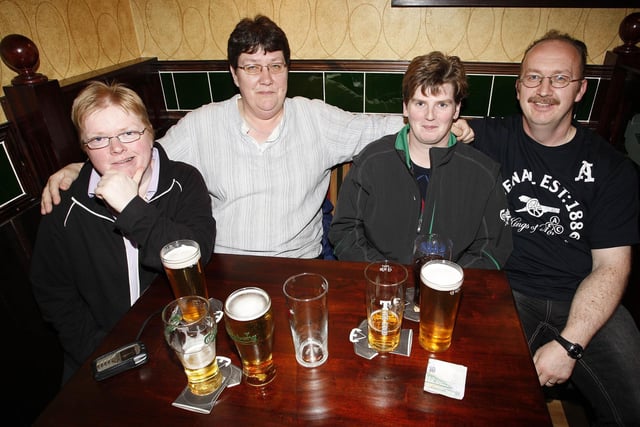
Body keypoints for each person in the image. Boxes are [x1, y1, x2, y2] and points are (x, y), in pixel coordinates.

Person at [39, 15, 473, 259]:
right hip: (220, 265)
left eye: (276, 65)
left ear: (288, 70)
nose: (266, 79)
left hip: (300, 266)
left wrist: (443, 123)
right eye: (252, 66)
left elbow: (382, 126)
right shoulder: (203, 123)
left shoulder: (316, 118)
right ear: (234, 74)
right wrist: (82, 169)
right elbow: (144, 157)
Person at [466, 31, 640, 425]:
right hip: (505, 293)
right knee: (476, 401)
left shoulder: (611, 169)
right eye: (533, 77)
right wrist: (447, 129)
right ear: (517, 86)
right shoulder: (487, 137)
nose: (543, 90)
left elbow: (611, 268)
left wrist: (569, 343)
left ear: (580, 90)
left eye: (560, 78)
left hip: (586, 298)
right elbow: (425, 127)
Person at [30, 81, 215, 384]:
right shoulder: (66, 202)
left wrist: (130, 207)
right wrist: (96, 348)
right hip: (97, 353)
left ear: (150, 132)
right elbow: (53, 292)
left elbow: (196, 254)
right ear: (85, 148)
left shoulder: (183, 181)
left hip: (180, 343)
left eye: (129, 133)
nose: (117, 148)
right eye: (99, 139)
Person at [328, 52, 512, 268]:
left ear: (457, 109)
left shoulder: (483, 173)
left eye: (442, 105)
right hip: (382, 284)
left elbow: (492, 249)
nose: (430, 116)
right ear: (406, 107)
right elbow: (344, 231)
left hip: (450, 291)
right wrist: (385, 272)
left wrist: (449, 278)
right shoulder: (372, 161)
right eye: (420, 104)